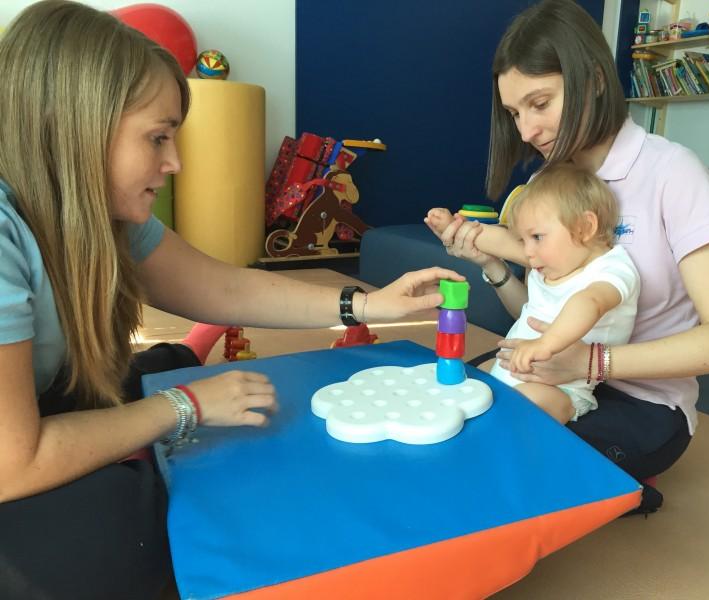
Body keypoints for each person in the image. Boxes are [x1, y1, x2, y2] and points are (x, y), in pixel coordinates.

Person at [0, 2, 463, 598]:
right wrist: (184, 406)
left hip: (28, 416)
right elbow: (13, 462)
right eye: (158, 137)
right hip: (12, 460)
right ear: (74, 128)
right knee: (121, 522)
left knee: (152, 370)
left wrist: (367, 305)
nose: (174, 163)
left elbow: (221, 287)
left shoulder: (99, 215)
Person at [424, 0, 709, 510]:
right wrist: (493, 266)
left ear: (595, 80)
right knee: (455, 419)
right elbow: (543, 314)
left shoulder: (672, 172)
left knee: (500, 457)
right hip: (561, 376)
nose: (526, 131)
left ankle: (620, 489)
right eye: (514, 113)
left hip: (643, 403)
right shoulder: (549, 179)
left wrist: (592, 362)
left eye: (540, 104)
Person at [427, 164, 640, 424]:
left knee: (523, 405)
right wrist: (453, 227)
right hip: (510, 367)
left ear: (585, 227)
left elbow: (589, 302)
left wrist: (545, 344)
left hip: (560, 388)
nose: (527, 252)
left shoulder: (613, 269)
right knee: (469, 379)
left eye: (537, 237)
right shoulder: (552, 264)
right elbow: (499, 241)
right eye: (523, 240)